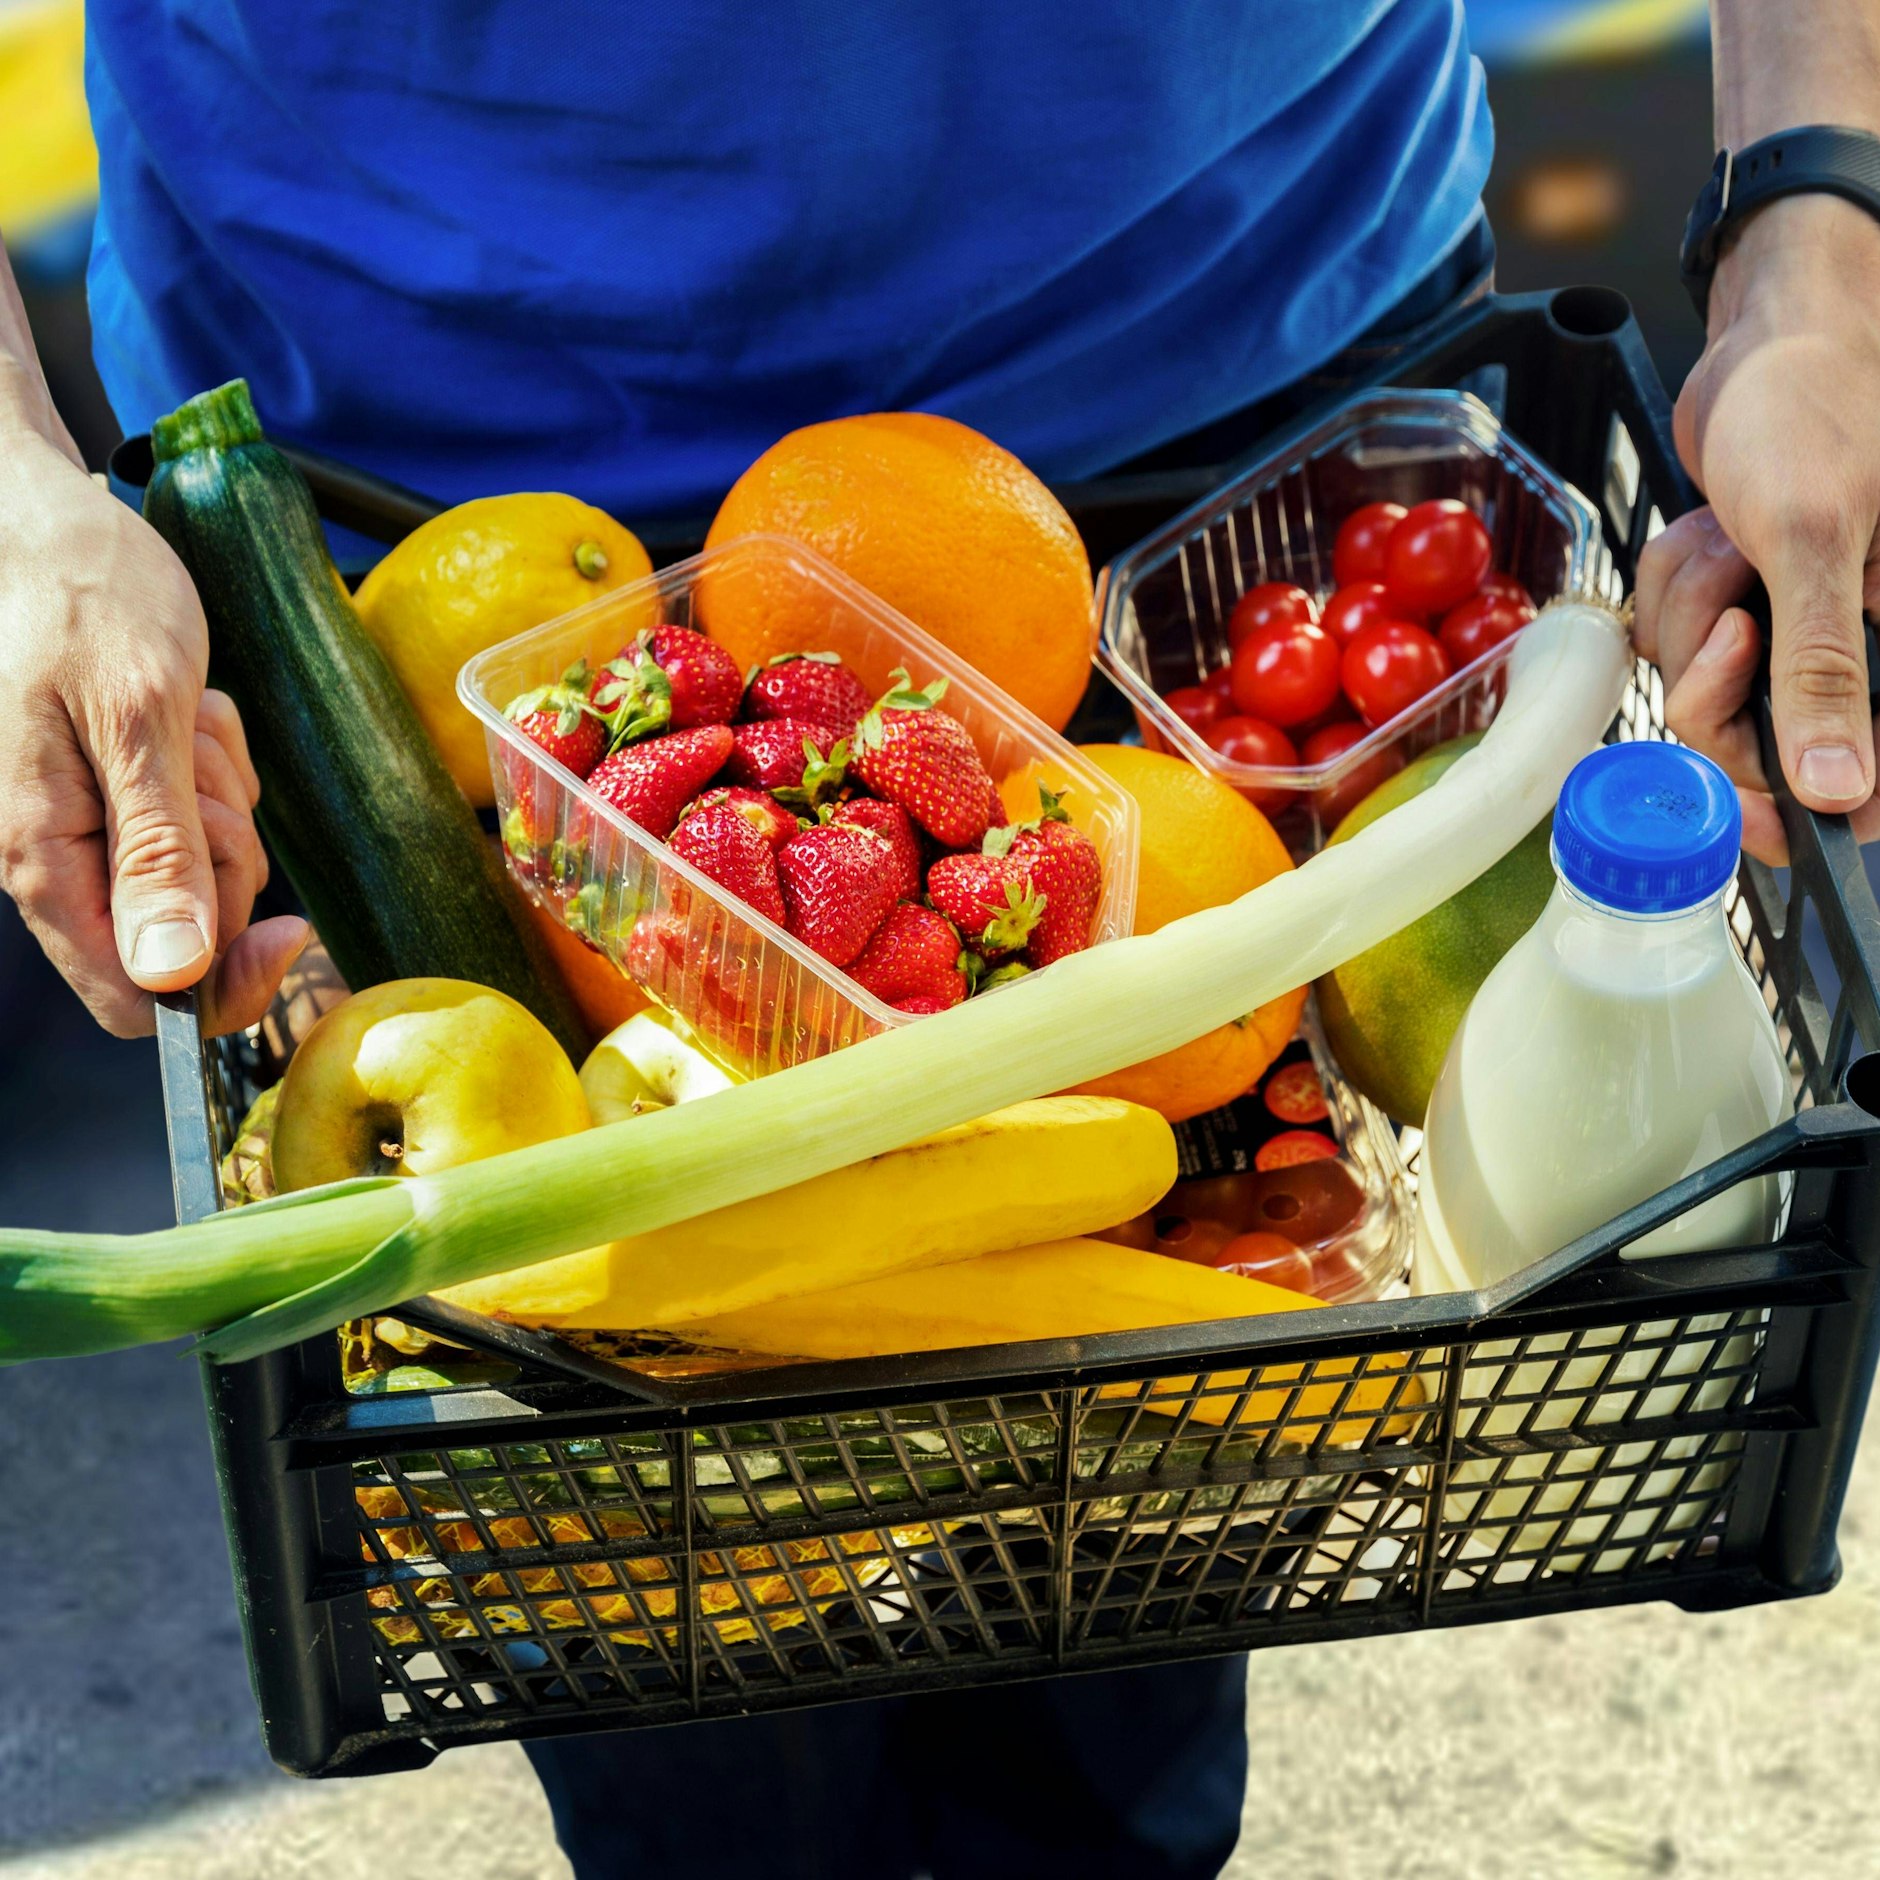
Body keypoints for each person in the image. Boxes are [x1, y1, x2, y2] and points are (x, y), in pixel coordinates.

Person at [0, 3, 1874, 1874]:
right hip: (419, 500)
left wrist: (1816, 239)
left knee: (1126, 1655)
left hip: (1234, 380)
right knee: (685, 1711)